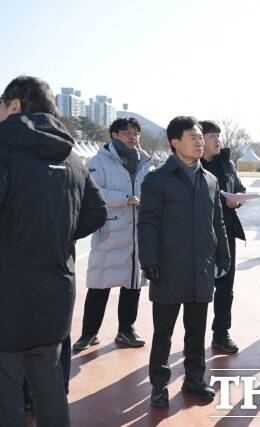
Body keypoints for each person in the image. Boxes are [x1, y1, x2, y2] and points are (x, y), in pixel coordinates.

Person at [0, 76, 107, 426]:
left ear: (16, 105)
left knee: (6, 388)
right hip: (56, 290)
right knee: (48, 382)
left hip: (8, 291)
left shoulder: (4, 146)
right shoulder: (71, 157)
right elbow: (96, 212)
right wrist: (56, 235)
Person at [138, 116, 231, 407]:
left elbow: (218, 222)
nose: (200, 142)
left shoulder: (210, 180)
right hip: (168, 267)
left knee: (197, 330)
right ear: (175, 142)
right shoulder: (156, 180)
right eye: (193, 137)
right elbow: (147, 223)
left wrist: (223, 254)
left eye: (201, 137)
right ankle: (159, 384)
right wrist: (149, 261)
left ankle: (194, 380)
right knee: (163, 332)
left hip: (201, 267)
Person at [73, 117, 154, 352]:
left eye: (136, 133)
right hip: (110, 230)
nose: (133, 137)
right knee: (100, 283)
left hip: (137, 231)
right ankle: (89, 333)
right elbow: (92, 191)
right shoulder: (99, 161)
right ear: (114, 135)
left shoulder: (146, 162)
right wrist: (124, 199)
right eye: (127, 132)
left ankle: (126, 330)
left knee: (132, 284)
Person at [200, 120, 246, 354]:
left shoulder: (227, 164)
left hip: (226, 233)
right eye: (213, 136)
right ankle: (194, 338)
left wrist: (237, 199)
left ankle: (221, 333)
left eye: (219, 135)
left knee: (226, 287)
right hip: (198, 235)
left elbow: (239, 188)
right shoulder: (191, 165)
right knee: (198, 289)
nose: (218, 140)